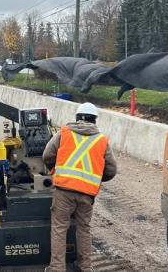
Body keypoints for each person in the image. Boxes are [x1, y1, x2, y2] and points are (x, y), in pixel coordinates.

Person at [43, 102, 117, 272]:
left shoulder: (64, 133)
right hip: (86, 194)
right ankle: (85, 267)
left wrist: (53, 169)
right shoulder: (102, 140)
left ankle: (57, 268)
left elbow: (47, 155)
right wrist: (95, 178)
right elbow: (112, 170)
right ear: (94, 120)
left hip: (63, 192)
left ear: (77, 118)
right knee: (84, 228)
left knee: (59, 228)